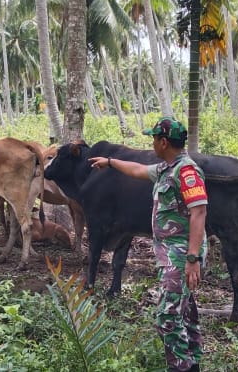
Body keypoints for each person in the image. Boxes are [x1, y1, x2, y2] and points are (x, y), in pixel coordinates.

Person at [89, 117, 207, 372]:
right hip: (172, 254)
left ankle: (181, 367)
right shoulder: (167, 168)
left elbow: (199, 212)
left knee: (167, 317)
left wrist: (192, 258)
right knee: (185, 313)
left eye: (154, 138)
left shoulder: (186, 172)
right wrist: (109, 162)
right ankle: (192, 363)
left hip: (181, 255)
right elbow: (136, 170)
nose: (152, 143)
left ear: (163, 142)